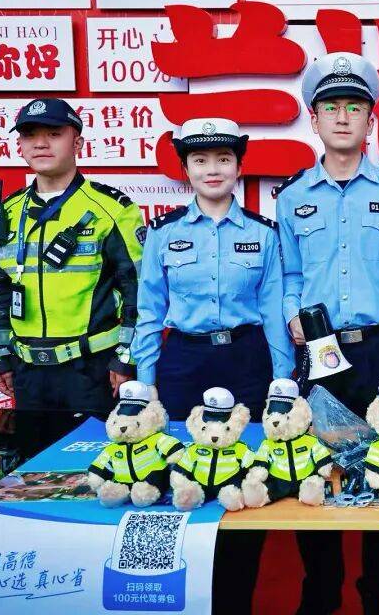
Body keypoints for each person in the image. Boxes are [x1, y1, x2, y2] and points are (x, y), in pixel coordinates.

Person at [275, 51, 379, 614]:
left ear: (371, 120)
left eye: (355, 108)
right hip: (320, 352)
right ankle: (321, 592)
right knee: (320, 469)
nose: (343, 118)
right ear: (314, 120)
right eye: (331, 108)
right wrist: (291, 311)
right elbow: (289, 276)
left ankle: (378, 595)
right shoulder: (293, 196)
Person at [131, 117, 292, 615]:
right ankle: (188, 598)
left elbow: (273, 312)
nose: (212, 169)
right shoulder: (163, 233)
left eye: (224, 159)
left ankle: (236, 599)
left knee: (244, 478)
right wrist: (145, 388)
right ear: (186, 170)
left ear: (239, 166)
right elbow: (148, 313)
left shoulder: (264, 234)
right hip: (184, 363)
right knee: (179, 474)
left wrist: (282, 382)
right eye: (200, 160)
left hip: (247, 361)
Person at [0, 97, 144, 420]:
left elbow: (139, 290)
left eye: (54, 134)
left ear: (78, 143)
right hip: (27, 372)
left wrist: (127, 357)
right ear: (19, 146)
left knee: (96, 453)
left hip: (93, 371)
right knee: (34, 452)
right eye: (30, 135)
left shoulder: (112, 209)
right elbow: (0, 289)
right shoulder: (9, 211)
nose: (40, 143)